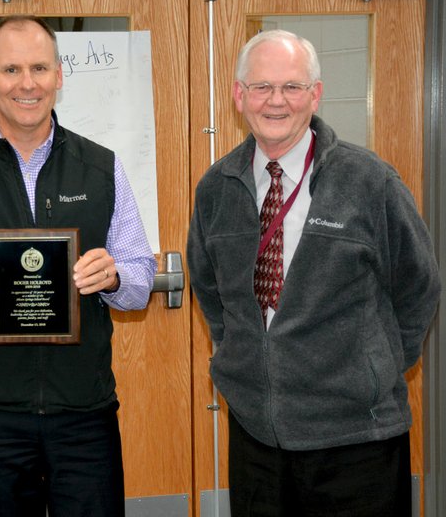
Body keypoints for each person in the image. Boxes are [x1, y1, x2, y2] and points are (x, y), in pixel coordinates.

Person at [0, 15, 155, 517]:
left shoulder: (102, 167)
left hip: (84, 411)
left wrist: (118, 277)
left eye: (39, 68)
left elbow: (141, 276)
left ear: (59, 75)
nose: (27, 83)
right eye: (11, 69)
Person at [187, 29, 440, 516]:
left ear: (315, 94)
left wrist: (372, 368)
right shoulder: (216, 188)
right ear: (239, 95)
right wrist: (250, 355)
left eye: (292, 87)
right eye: (261, 87)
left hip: (356, 440)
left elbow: (418, 286)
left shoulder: (370, 181)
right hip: (256, 438)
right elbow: (211, 290)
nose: (276, 101)